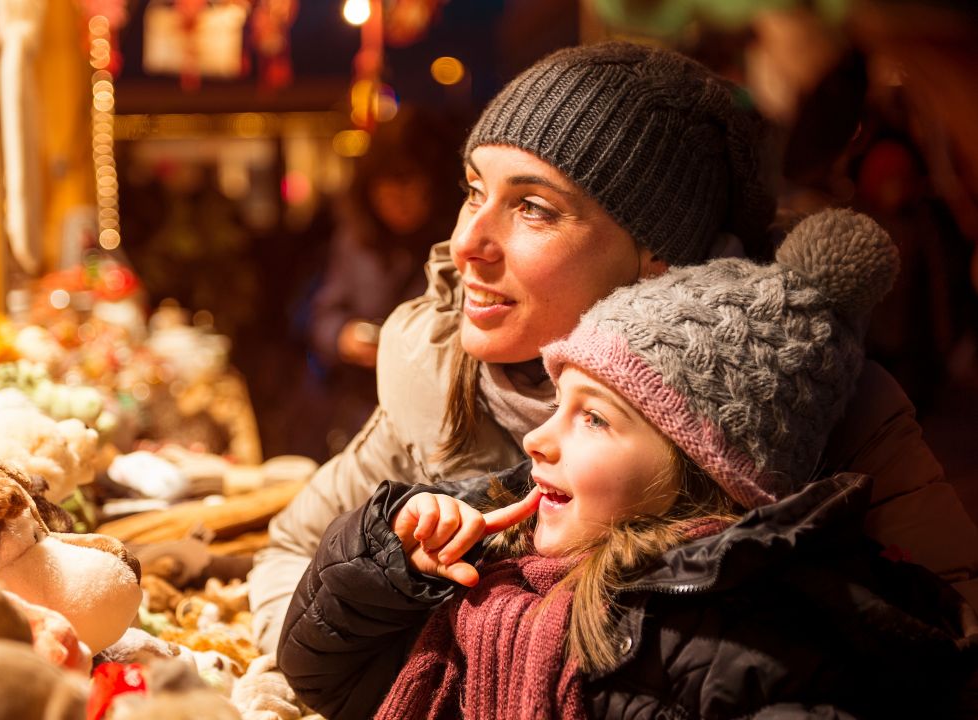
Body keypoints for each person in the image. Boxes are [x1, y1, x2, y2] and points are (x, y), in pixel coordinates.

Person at [248, 41, 978, 654]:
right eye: (475, 190)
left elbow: (958, 640)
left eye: (532, 207)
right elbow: (291, 555)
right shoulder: (439, 377)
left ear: (657, 254)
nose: (466, 243)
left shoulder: (813, 397)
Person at [279, 209, 977, 719]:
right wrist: (385, 567)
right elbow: (328, 679)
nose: (537, 441)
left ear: (704, 472)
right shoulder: (501, 577)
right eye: (560, 402)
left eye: (593, 417)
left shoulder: (747, 650)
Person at [300, 107, 464, 458]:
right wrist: (343, 338)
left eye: (409, 184)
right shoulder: (357, 240)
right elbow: (323, 316)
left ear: (432, 185)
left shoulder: (459, 245)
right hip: (361, 411)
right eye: (385, 186)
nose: (396, 199)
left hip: (438, 418)